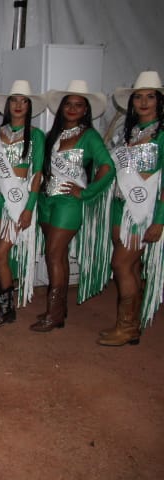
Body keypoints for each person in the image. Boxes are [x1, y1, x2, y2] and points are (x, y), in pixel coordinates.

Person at [31, 80, 115, 332]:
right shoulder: (51, 136)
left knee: (53, 254)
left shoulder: (89, 136)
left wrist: (87, 192)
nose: (72, 108)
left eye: (79, 105)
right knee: (59, 255)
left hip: (69, 202)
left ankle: (53, 313)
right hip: (47, 201)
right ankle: (60, 310)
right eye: (69, 104)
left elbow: (107, 167)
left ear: (86, 110)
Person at [98, 71, 164, 346]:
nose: (144, 102)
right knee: (132, 266)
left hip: (143, 210)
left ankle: (126, 326)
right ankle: (131, 327)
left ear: (159, 101)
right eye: (139, 97)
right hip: (120, 206)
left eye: (150, 96)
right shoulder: (130, 132)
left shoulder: (161, 135)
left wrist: (159, 220)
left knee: (120, 264)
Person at [0, 80, 46, 326]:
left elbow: (37, 174)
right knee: (0, 256)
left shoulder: (37, 136)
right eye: (14, 100)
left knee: (0, 256)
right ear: (7, 105)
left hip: (18, 202)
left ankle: (5, 309)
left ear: (29, 106)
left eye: (23, 101)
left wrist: (29, 209)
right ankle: (7, 308)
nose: (18, 105)